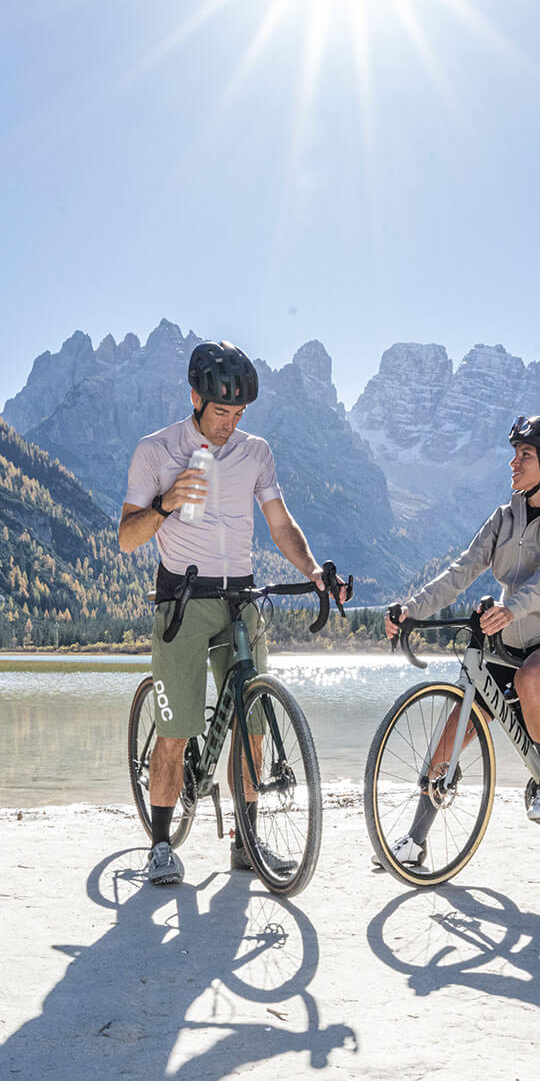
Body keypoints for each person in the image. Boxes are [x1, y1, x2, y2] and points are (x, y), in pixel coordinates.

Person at [119, 340, 334, 886]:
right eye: (221, 412)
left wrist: (313, 571)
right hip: (182, 601)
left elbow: (281, 524)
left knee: (253, 721)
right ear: (194, 399)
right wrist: (165, 504)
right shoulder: (155, 450)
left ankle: (245, 842)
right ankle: (162, 844)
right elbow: (126, 538)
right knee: (175, 729)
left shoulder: (255, 452)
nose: (229, 425)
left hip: (240, 598)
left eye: (239, 415)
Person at [384, 414, 540, 857]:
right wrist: (412, 608)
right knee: (455, 727)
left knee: (530, 680)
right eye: (514, 456)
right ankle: (415, 841)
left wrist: (511, 608)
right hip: (511, 640)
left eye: (524, 456)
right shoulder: (504, 518)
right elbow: (461, 571)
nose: (513, 465)